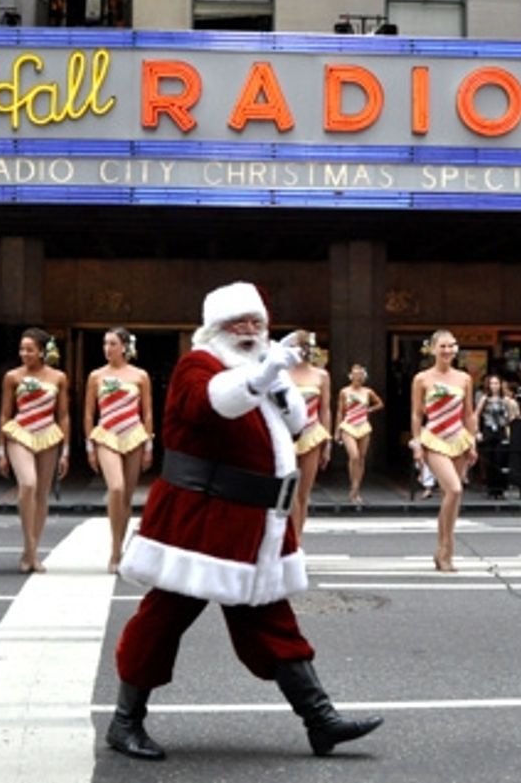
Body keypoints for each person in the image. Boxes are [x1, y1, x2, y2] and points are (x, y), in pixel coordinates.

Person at [109, 281, 383, 761]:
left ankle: (320, 719)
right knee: (163, 618)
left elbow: (297, 424)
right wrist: (261, 375)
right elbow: (211, 404)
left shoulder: (259, 370)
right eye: (240, 322)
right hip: (200, 519)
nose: (251, 330)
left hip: (254, 522)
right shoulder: (200, 365)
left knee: (271, 618)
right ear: (217, 327)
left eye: (257, 322)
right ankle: (124, 720)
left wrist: (277, 381)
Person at [0, 327, 70, 574]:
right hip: (20, 432)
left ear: (42, 351)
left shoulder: (58, 377)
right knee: (28, 484)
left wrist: (66, 451)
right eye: (22, 349)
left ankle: (32, 552)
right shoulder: (12, 377)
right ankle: (28, 546)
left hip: (48, 434)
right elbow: (5, 414)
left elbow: (63, 415)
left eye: (30, 349)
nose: (24, 353)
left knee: (41, 494)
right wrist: (0, 450)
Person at [84, 327, 154, 574]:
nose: (108, 348)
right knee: (116, 487)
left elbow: (147, 412)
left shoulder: (140, 376)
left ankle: (120, 547)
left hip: (134, 435)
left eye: (112, 344)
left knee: (126, 497)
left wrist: (149, 446)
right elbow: (89, 413)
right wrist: (90, 446)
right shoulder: (96, 376)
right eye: (105, 343)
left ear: (124, 347)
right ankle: (114, 551)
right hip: (106, 434)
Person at [410, 329, 477, 572]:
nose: (447, 350)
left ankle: (444, 551)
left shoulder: (464, 378)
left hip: (458, 438)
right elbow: (417, 414)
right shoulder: (422, 379)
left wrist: (472, 442)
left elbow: (468, 414)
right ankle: (446, 548)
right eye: (443, 346)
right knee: (454, 488)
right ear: (432, 349)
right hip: (433, 439)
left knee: (453, 496)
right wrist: (417, 443)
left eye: (451, 346)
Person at [288, 333, 332, 537]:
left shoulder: (321, 375)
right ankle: (287, 539)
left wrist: (327, 443)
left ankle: (297, 539)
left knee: (303, 493)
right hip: (286, 436)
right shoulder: (282, 374)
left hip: (312, 434)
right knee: (288, 492)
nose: (301, 350)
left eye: (305, 346)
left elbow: (325, 409)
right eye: (296, 346)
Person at [335, 364, 383, 505]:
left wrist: (370, 410)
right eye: (355, 374)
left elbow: (380, 403)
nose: (358, 377)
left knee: (361, 458)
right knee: (354, 456)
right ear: (351, 376)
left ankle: (356, 489)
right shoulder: (344, 392)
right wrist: (337, 430)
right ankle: (354, 487)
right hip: (348, 425)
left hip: (363, 425)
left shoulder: (368, 391)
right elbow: (340, 411)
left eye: (360, 374)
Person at [475, 374, 518, 499]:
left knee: (501, 459)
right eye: (492, 383)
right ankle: (491, 488)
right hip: (489, 430)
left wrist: (510, 427)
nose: (494, 386)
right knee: (489, 459)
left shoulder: (505, 400)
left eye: (496, 383)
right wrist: (477, 431)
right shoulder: (485, 399)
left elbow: (511, 416)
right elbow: (476, 414)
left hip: (501, 430)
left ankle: (500, 489)